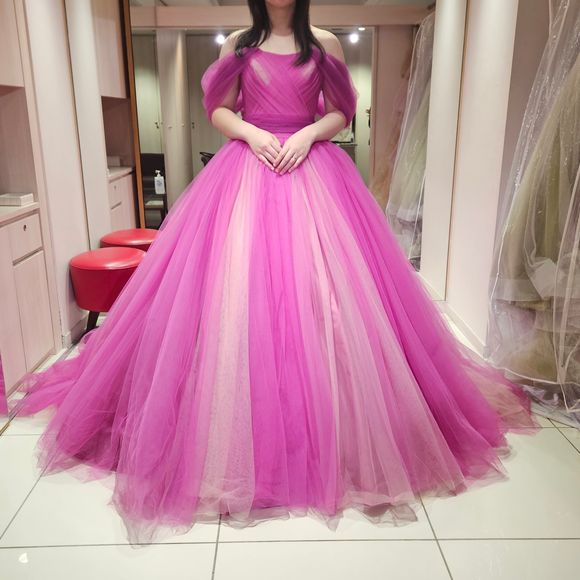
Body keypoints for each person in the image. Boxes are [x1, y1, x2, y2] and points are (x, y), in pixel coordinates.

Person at [10, 0, 538, 546]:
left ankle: (338, 431)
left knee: (326, 298)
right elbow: (217, 108)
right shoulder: (238, 44)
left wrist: (309, 134)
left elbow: (342, 110)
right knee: (234, 296)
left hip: (313, 171)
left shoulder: (324, 43)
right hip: (248, 169)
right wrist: (250, 133)